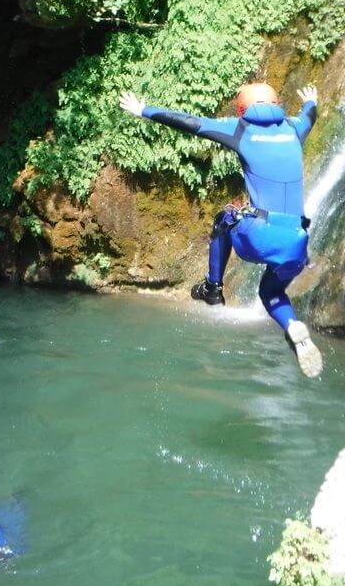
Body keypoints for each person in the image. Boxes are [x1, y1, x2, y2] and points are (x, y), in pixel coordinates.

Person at [119, 83, 323, 378]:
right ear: (277, 102)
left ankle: (213, 289)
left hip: (261, 236)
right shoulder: (293, 127)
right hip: (298, 241)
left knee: (225, 219)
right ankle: (292, 326)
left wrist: (144, 110)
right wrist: (311, 102)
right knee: (270, 291)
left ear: (242, 109)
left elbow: (191, 123)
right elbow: (310, 116)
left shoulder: (240, 129)